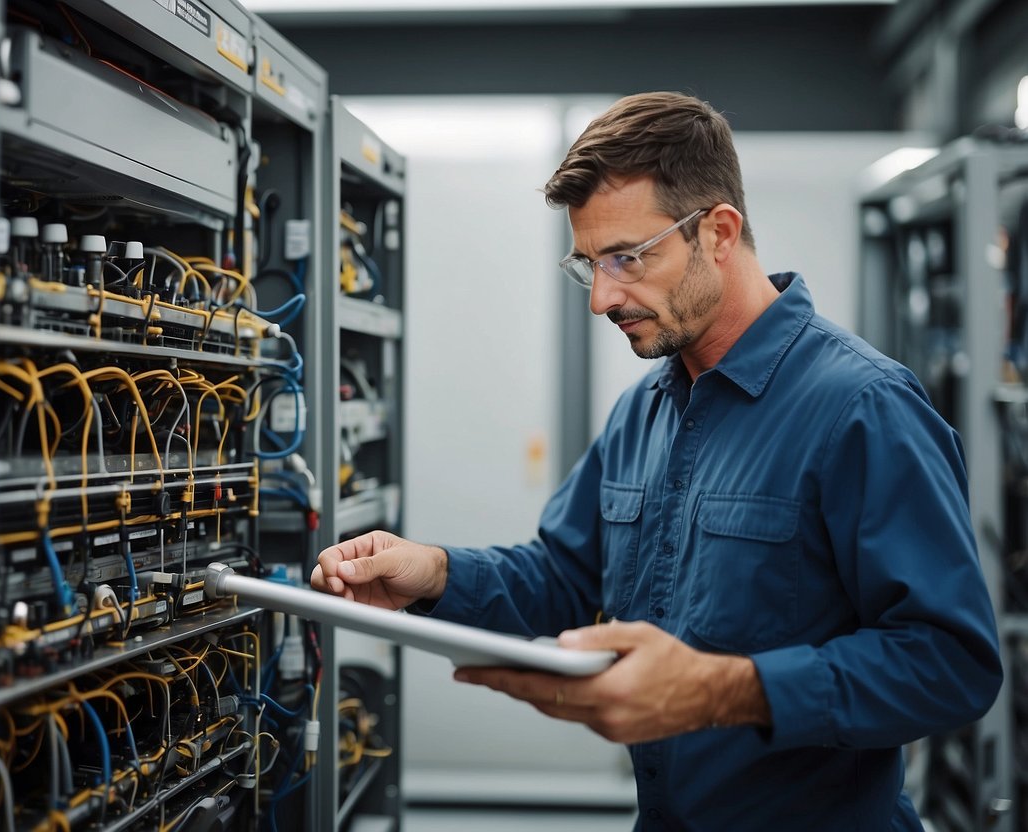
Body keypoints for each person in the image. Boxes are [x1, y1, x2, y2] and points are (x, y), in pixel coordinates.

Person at [310, 92, 1002, 829]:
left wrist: (720, 690)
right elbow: (563, 578)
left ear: (718, 232)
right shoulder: (645, 410)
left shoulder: (862, 407)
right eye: (588, 266)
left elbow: (949, 662)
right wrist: (435, 571)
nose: (602, 297)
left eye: (627, 258)